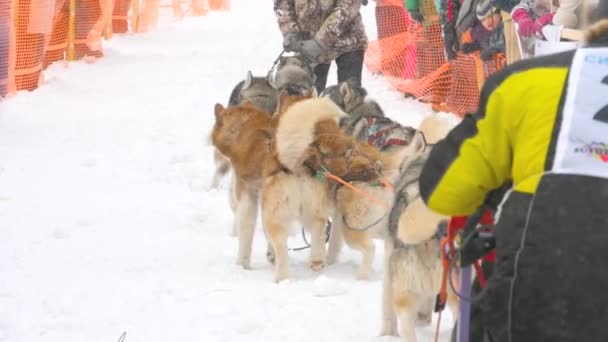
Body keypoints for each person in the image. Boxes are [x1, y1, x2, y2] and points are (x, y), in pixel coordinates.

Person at [419, 0, 608, 339]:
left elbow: (442, 188)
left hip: (534, 281)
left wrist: (493, 195)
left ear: (590, 26)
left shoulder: (525, 80)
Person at [273, 0, 368, 93]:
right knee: (308, 101)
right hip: (307, 45)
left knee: (349, 97)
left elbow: (347, 7)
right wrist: (291, 31)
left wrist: (320, 42)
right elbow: (281, 3)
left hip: (347, 40)